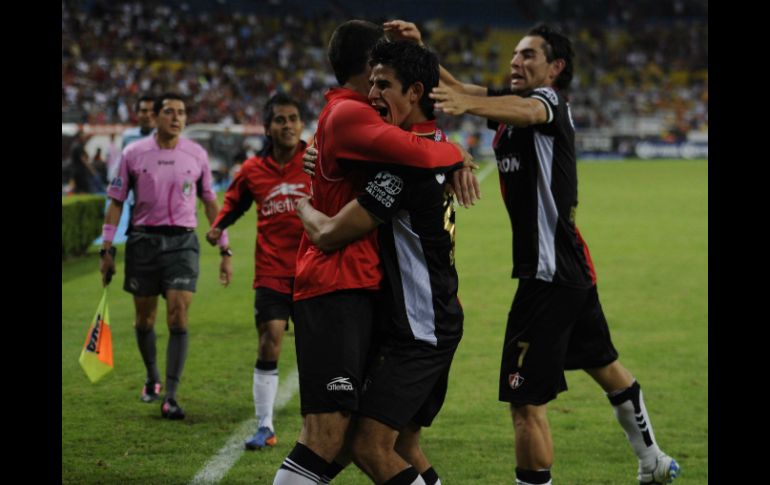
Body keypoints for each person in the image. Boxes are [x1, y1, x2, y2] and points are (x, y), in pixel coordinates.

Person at [385, 20, 680, 485]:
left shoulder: (548, 101)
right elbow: (460, 89)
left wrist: (468, 103)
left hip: (548, 274)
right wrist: (423, 52)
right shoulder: (512, 103)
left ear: (554, 67)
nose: (515, 61)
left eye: (528, 55)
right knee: (604, 365)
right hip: (570, 266)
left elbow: (522, 110)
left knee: (525, 403)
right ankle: (654, 460)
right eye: (514, 54)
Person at [272, 20, 477, 485]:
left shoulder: (401, 167)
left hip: (419, 328)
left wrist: (303, 204)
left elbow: (329, 234)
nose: (374, 95)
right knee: (400, 445)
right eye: (373, 83)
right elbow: (417, 141)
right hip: (432, 317)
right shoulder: (424, 141)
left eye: (384, 85)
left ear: (413, 92)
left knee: (364, 444)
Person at [99, 92, 230, 421]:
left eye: (182, 112)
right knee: (144, 319)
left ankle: (171, 395)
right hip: (143, 241)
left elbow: (210, 201)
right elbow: (116, 202)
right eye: (169, 112)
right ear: (155, 117)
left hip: (182, 243)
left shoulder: (196, 154)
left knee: (178, 315)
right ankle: (152, 376)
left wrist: (224, 245)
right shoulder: (133, 154)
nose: (176, 118)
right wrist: (107, 249)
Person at [205, 93, 312, 450]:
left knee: (316, 348)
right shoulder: (252, 170)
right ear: (267, 128)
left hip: (313, 268)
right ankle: (265, 425)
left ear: (301, 124)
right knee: (270, 338)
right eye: (280, 119)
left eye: (293, 118)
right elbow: (235, 203)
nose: (288, 125)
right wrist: (218, 227)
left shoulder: (315, 161)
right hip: (271, 270)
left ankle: (318, 424)